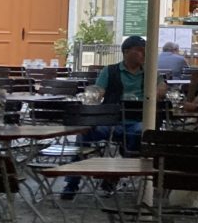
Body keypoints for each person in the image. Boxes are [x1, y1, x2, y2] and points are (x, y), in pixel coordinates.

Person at [60, 35, 157, 200]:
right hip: (111, 121)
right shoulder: (110, 71)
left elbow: (161, 88)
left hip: (138, 121)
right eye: (140, 51)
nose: (144, 54)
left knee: (139, 134)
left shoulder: (149, 72)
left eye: (145, 51)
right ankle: (72, 182)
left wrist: (157, 90)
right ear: (126, 52)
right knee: (85, 132)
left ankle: (114, 176)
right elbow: (99, 91)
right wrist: (93, 95)